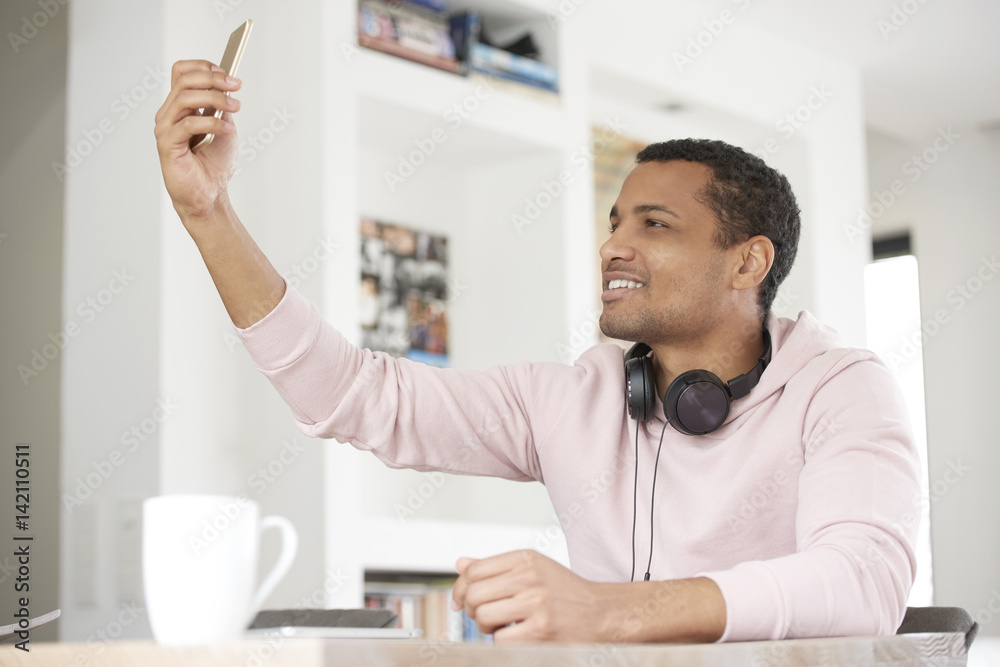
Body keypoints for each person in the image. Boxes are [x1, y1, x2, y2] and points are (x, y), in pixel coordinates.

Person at [154, 60, 921, 644]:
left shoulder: (843, 387)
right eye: (615, 221)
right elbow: (351, 395)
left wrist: (605, 609)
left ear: (747, 263)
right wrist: (209, 214)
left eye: (654, 224)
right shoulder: (574, 399)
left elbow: (864, 582)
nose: (613, 245)